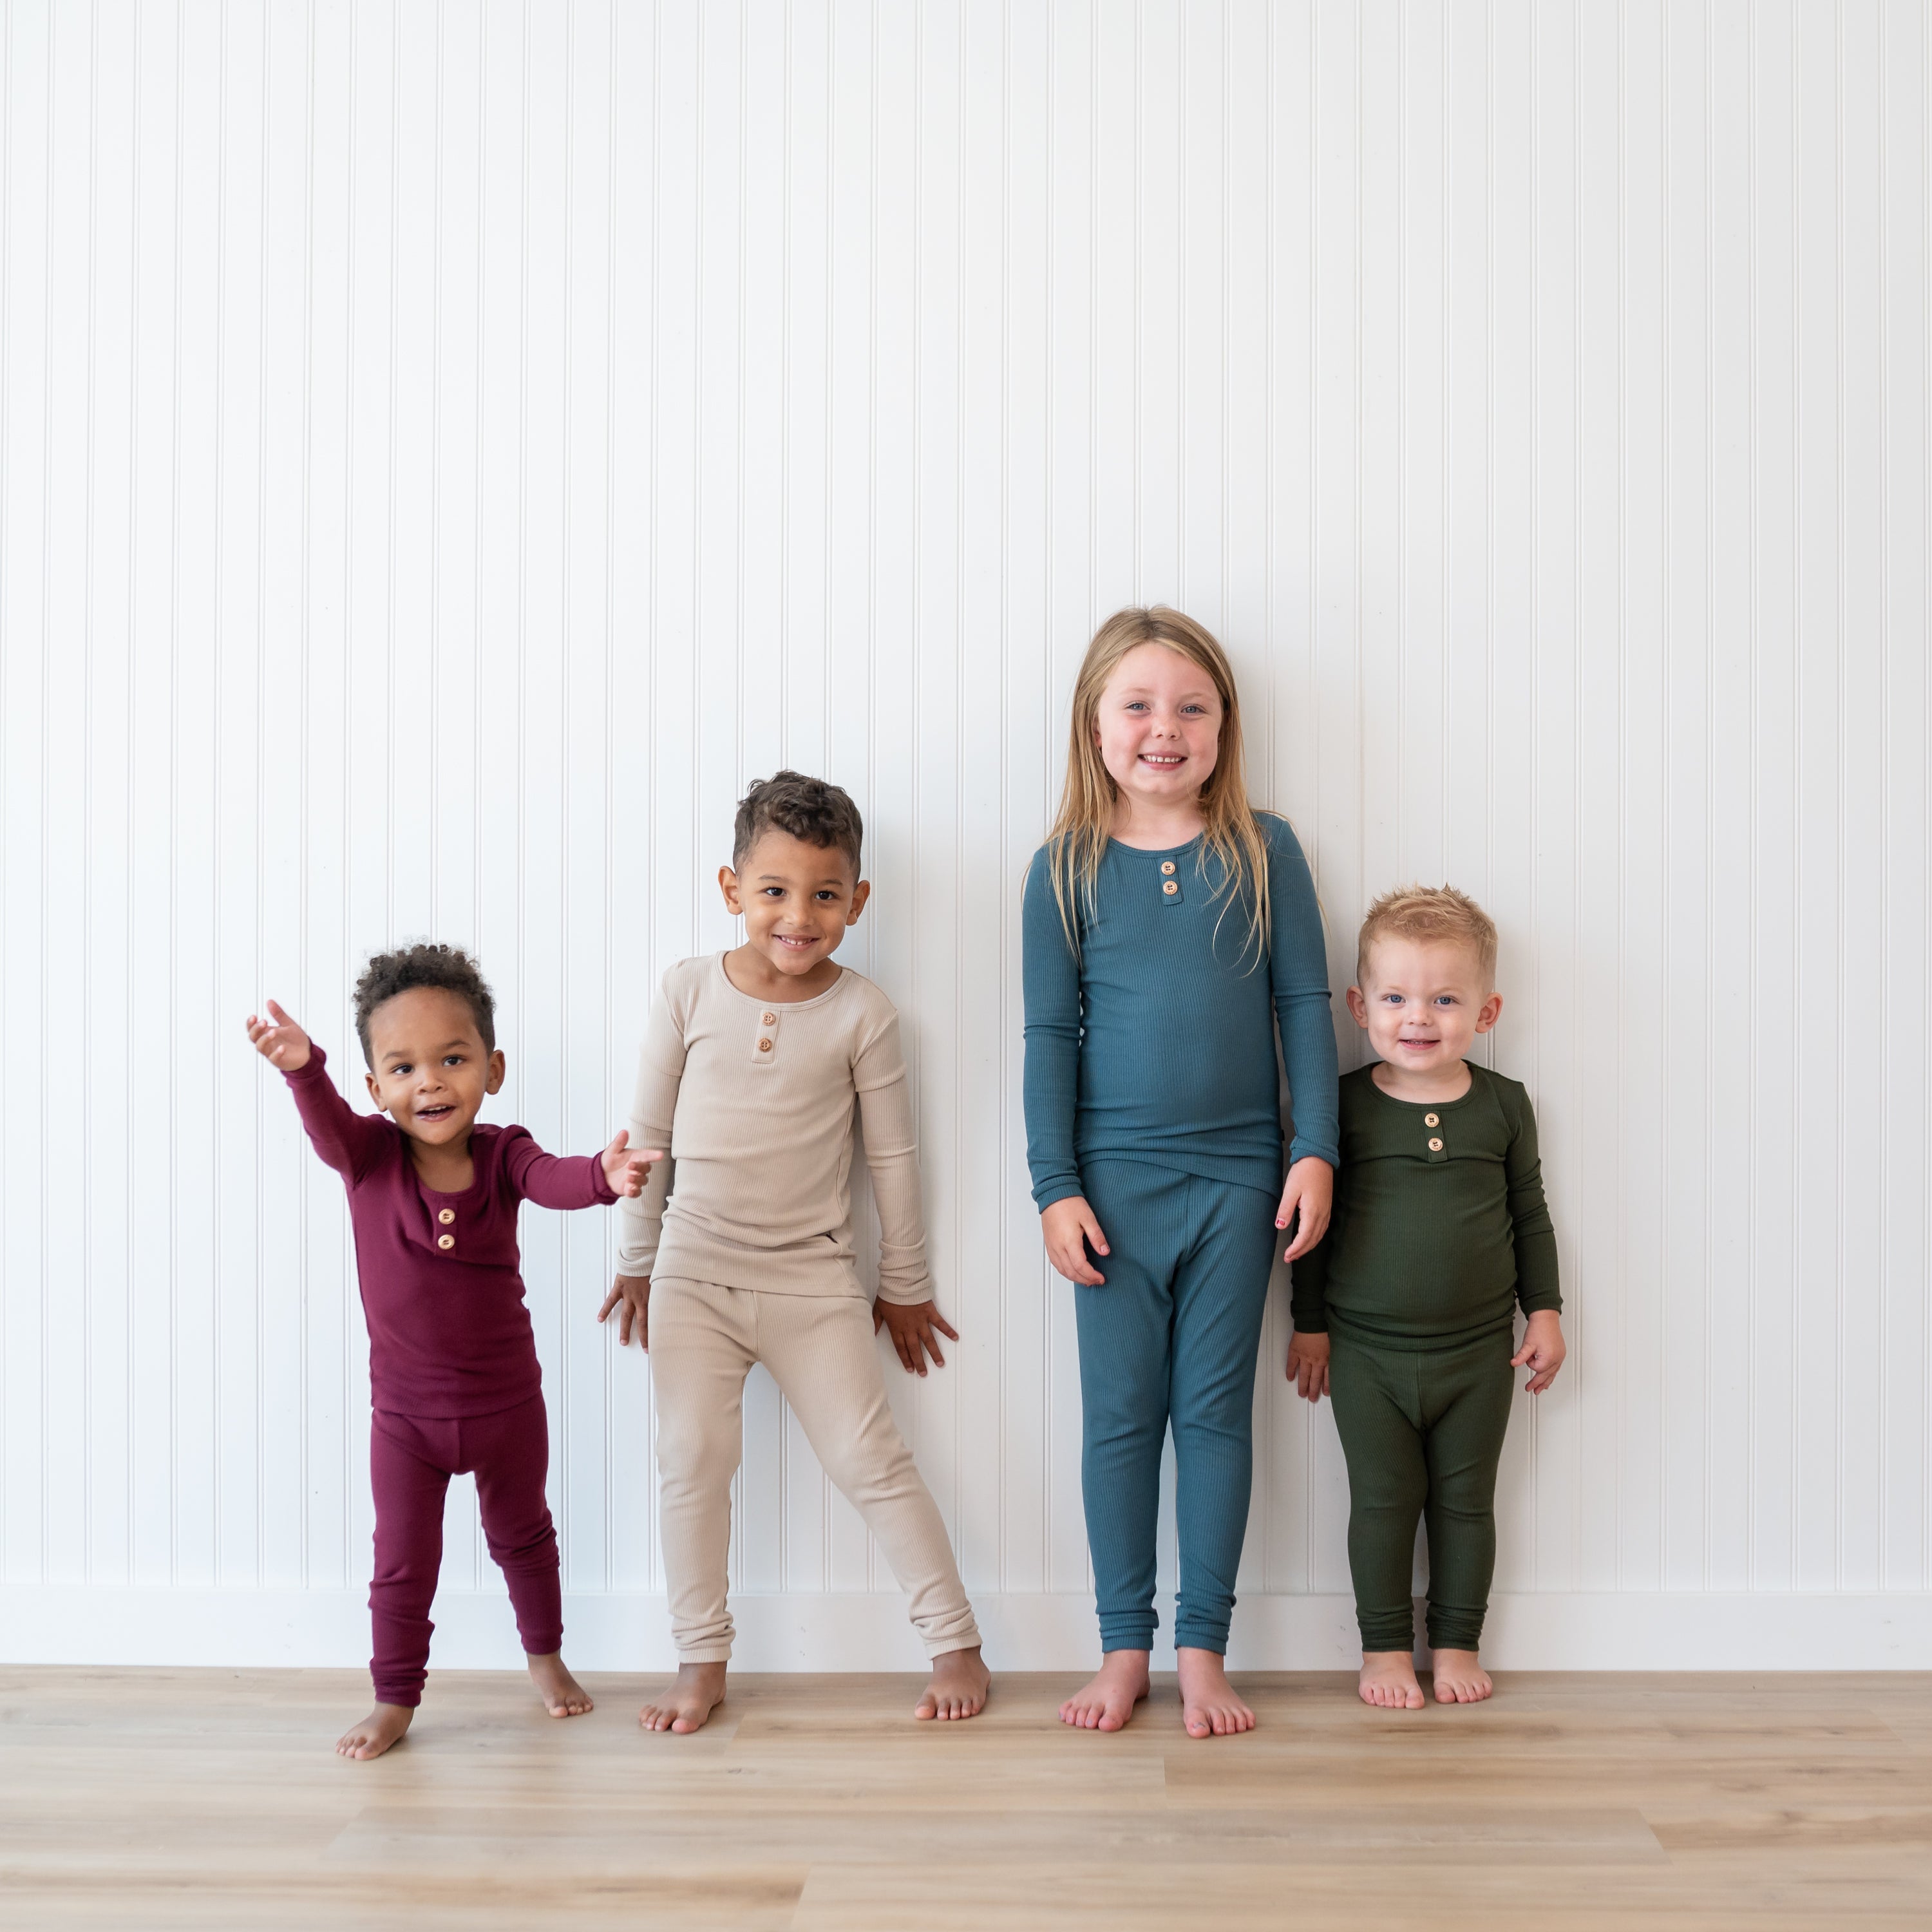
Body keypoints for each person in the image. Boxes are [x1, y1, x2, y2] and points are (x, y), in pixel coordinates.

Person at [602, 771, 988, 1734]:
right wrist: (637, 1258)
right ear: (731, 889)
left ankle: (956, 1642)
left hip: (813, 1281)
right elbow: (647, 1137)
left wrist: (905, 1282)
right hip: (694, 1271)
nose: (797, 915)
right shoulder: (688, 991)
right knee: (692, 1456)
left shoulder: (864, 1014)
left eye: (824, 894)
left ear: (857, 901)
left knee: (871, 1459)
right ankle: (702, 1660)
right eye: (774, 890)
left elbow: (892, 1158)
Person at [1022, 607, 1340, 1738]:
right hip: (1111, 1191)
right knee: (1120, 1422)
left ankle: (1202, 1650)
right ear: (1094, 725)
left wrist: (1315, 1150)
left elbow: (1303, 1004)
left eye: (1192, 707)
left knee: (1213, 1417)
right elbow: (1047, 1037)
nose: (1167, 729)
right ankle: (1122, 1650)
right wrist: (1053, 1184)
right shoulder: (1061, 869)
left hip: (1244, 1181)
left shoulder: (1267, 849)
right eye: (1140, 706)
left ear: (1223, 726)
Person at [245, 946, 655, 1759]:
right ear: (375, 1088)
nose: (429, 1082)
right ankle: (394, 1700)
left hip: (507, 1407)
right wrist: (304, 1071)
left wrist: (605, 1177)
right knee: (402, 1565)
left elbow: (556, 1179)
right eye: (402, 1067)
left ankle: (546, 1660)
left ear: (492, 1068)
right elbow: (327, 1125)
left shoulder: (505, 1154)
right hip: (406, 1421)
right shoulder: (368, 1158)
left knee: (524, 1538)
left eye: (453, 1059)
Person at [1286, 886, 1566, 1709]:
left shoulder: (1505, 1105)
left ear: (1486, 1011)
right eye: (1397, 998)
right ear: (1359, 1006)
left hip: (1480, 1352)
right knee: (1381, 1504)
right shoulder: (1340, 1105)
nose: (1420, 1017)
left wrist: (1544, 1310)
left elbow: (1531, 1216)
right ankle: (1381, 1651)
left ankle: (1455, 1643)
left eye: (1445, 999)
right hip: (1366, 1353)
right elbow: (1310, 1228)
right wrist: (1310, 1327)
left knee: (1465, 1506)